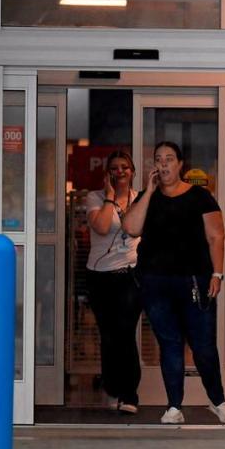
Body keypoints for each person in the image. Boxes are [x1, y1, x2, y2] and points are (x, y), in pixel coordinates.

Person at [122, 141, 225, 425]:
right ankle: (173, 406)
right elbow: (132, 228)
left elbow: (216, 237)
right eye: (159, 159)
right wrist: (148, 191)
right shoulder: (149, 196)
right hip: (155, 282)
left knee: (203, 345)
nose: (164, 164)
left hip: (194, 280)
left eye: (170, 159)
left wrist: (217, 274)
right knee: (169, 344)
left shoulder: (200, 196)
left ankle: (218, 400)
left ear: (181, 164)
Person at [85, 150, 142, 414]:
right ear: (107, 172)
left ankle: (130, 393)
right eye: (115, 168)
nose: (120, 172)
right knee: (108, 335)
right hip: (100, 277)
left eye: (125, 167)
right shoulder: (94, 198)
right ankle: (112, 388)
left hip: (129, 275)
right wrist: (109, 196)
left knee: (125, 333)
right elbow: (101, 226)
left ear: (132, 171)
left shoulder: (139, 199)